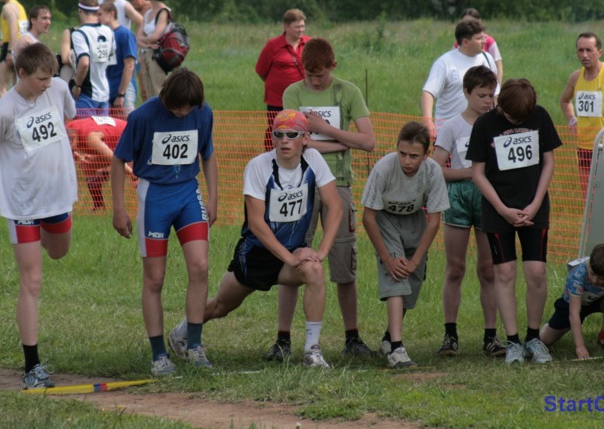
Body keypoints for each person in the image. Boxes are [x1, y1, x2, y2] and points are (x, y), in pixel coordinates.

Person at [166, 110, 339, 369]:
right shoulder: (259, 166)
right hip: (256, 254)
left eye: (292, 135)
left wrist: (321, 252)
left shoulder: (314, 160)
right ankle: (181, 333)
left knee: (314, 270)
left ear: (305, 138)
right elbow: (257, 224)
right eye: (279, 134)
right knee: (221, 306)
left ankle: (312, 351)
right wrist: (290, 258)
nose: (285, 140)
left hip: (291, 253)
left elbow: (335, 206)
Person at [0, 42, 77, 389]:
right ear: (21, 74)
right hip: (22, 206)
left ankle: (41, 241)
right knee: (31, 281)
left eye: (50, 77)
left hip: (58, 196)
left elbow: (67, 117)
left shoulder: (58, 89)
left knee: (60, 251)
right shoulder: (4, 111)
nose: (47, 84)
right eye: (41, 79)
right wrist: (14, 163)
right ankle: (32, 365)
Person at [271, 38, 376, 360]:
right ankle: (283, 338)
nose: (314, 81)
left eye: (320, 75)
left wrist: (324, 129)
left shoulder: (348, 92)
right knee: (293, 260)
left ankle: (352, 336)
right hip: (299, 183)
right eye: (309, 74)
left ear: (333, 66)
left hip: (338, 183)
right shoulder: (293, 93)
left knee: (344, 264)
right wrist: (340, 143)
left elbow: (368, 141)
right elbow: (292, 141)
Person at [111, 68, 218, 376]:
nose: (183, 113)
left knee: (200, 266)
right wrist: (119, 208)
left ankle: (193, 344)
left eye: (188, 108)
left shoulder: (203, 112)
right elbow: (119, 159)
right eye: (177, 108)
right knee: (155, 278)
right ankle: (159, 354)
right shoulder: (142, 117)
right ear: (166, 98)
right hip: (154, 197)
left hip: (188, 193)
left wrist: (213, 197)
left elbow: (208, 154)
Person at [467, 78, 561, 364]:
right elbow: (477, 173)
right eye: (511, 117)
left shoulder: (540, 116)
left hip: (534, 207)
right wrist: (502, 209)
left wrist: (535, 204)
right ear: (500, 104)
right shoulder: (484, 124)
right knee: (505, 273)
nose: (516, 121)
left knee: (536, 272)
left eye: (521, 119)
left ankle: (534, 337)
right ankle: (512, 342)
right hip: (498, 210)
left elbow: (549, 162)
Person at [432, 65, 504, 358]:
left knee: (488, 269)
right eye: (481, 95)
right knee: (455, 267)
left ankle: (491, 335)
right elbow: (436, 167)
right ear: (466, 93)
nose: (488, 101)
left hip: (489, 199)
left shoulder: (499, 125)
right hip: (459, 199)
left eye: (491, 95)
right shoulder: (452, 126)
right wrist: (469, 174)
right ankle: (450, 334)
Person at [363, 121, 448, 369]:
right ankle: (397, 349)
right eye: (402, 153)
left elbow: (434, 221)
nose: (407, 161)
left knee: (412, 281)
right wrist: (387, 258)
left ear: (426, 155)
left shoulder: (433, 171)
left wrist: (416, 260)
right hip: (385, 219)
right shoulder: (384, 169)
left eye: (414, 156)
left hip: (415, 220)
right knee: (396, 276)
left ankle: (389, 338)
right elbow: (368, 217)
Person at [558, 33, 604, 190]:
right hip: (585, 147)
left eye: (589, 50)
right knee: (589, 197)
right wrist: (571, 119)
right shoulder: (576, 77)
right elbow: (564, 100)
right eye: (580, 50)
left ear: (599, 52)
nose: (584, 55)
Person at [421, 19, 500, 139]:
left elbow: (495, 94)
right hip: (449, 132)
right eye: (479, 38)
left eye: (484, 37)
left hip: (480, 130)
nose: (484, 41)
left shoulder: (487, 59)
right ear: (465, 42)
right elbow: (428, 92)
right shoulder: (445, 62)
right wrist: (428, 122)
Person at [255, 9, 309, 151]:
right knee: (277, 129)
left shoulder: (309, 43)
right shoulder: (273, 45)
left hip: (303, 98)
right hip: (277, 99)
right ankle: (271, 156)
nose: (301, 30)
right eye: (297, 27)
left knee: (301, 129)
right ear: (286, 26)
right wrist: (276, 84)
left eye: (303, 26)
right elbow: (261, 70)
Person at [66, 115, 130, 210]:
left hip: (129, 138)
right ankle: (99, 205)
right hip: (110, 139)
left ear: (74, 137)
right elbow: (68, 148)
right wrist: (79, 157)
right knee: (87, 165)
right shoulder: (67, 129)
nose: (68, 151)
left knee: (136, 179)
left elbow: (114, 159)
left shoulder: (92, 138)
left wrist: (132, 174)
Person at [70, 0, 115, 116]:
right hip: (104, 92)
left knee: (83, 129)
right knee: (102, 129)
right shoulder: (108, 31)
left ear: (80, 11)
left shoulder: (79, 33)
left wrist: (77, 85)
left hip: (86, 93)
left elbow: (84, 62)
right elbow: (110, 54)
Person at [135, 0, 173, 100]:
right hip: (144, 55)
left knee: (159, 91)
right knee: (148, 91)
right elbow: (137, 37)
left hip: (157, 56)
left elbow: (155, 36)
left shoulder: (164, 12)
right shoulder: (148, 13)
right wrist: (147, 43)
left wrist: (145, 40)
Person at [99, 0, 138, 119]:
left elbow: (129, 65)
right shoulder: (103, 36)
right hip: (108, 89)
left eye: (100, 14)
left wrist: (121, 94)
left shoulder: (124, 34)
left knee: (127, 122)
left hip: (124, 88)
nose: (97, 18)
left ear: (111, 14)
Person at [456, 9, 503, 84]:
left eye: (472, 22)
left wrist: (498, 85)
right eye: (465, 22)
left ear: (479, 21)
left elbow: (498, 66)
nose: (468, 25)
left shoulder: (489, 42)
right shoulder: (459, 43)